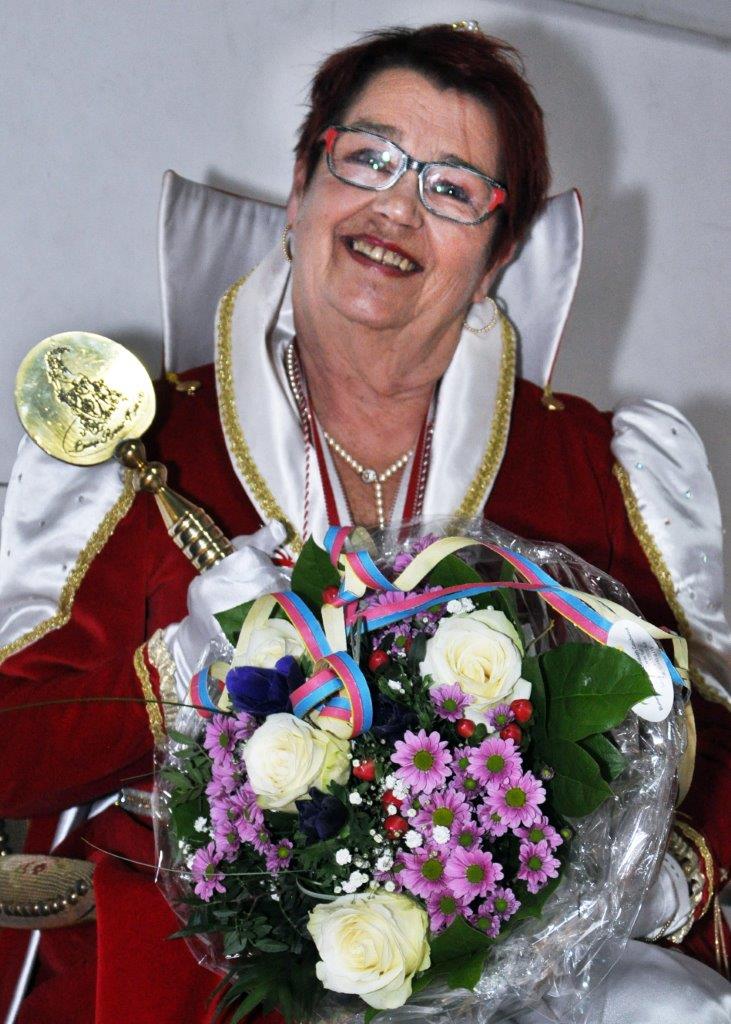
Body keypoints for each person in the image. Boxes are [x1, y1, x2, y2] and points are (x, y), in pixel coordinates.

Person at [1, 22, 729, 1024]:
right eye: (368, 157)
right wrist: (171, 672)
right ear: (301, 186)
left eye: (451, 187)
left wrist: (644, 875)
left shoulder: (602, 474)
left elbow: (709, 752)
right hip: (187, 980)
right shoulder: (139, 455)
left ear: (497, 254)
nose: (396, 206)